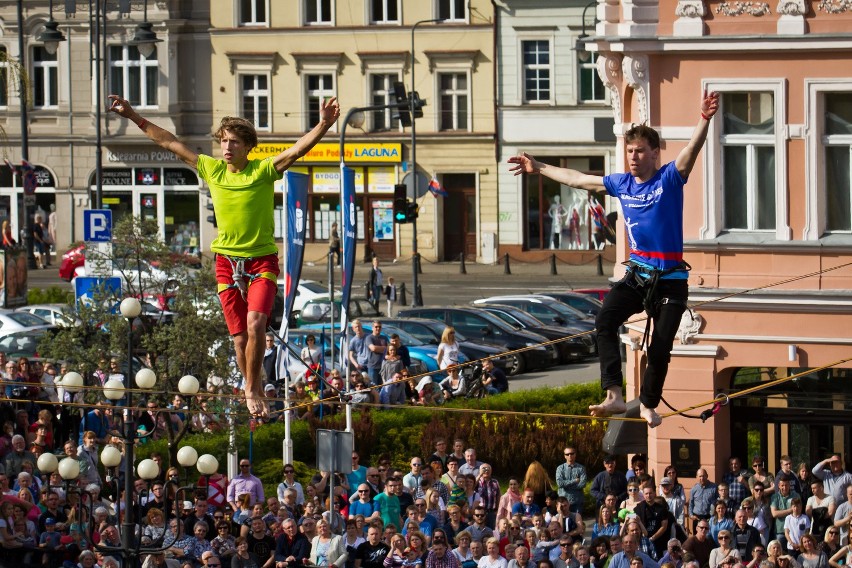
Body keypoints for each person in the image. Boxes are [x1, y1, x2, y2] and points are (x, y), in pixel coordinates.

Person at [108, 93, 340, 418]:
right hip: (226, 263)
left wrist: (324, 125)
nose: (227, 148)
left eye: (233, 142)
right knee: (239, 339)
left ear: (247, 146)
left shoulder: (262, 171)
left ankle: (252, 386)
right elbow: (169, 142)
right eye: (223, 142)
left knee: (257, 324)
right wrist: (132, 115)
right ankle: (251, 386)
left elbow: (297, 150)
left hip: (260, 261)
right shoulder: (213, 170)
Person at [507, 89, 720, 427]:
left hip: (671, 279)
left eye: (639, 151)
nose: (632, 157)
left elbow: (691, 151)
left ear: (654, 154)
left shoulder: (669, 178)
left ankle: (649, 403)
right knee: (605, 320)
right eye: (629, 151)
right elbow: (578, 179)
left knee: (660, 347)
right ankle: (614, 394)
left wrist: (704, 120)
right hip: (638, 273)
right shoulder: (622, 184)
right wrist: (539, 167)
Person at [556, 447, 587, 515]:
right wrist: (574, 481)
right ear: (564, 456)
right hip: (563, 502)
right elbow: (560, 484)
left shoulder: (581, 468)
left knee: (577, 523)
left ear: (575, 454)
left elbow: (583, 484)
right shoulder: (560, 468)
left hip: (577, 502)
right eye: (567, 454)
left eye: (571, 453)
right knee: (563, 523)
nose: (569, 455)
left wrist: (566, 486)